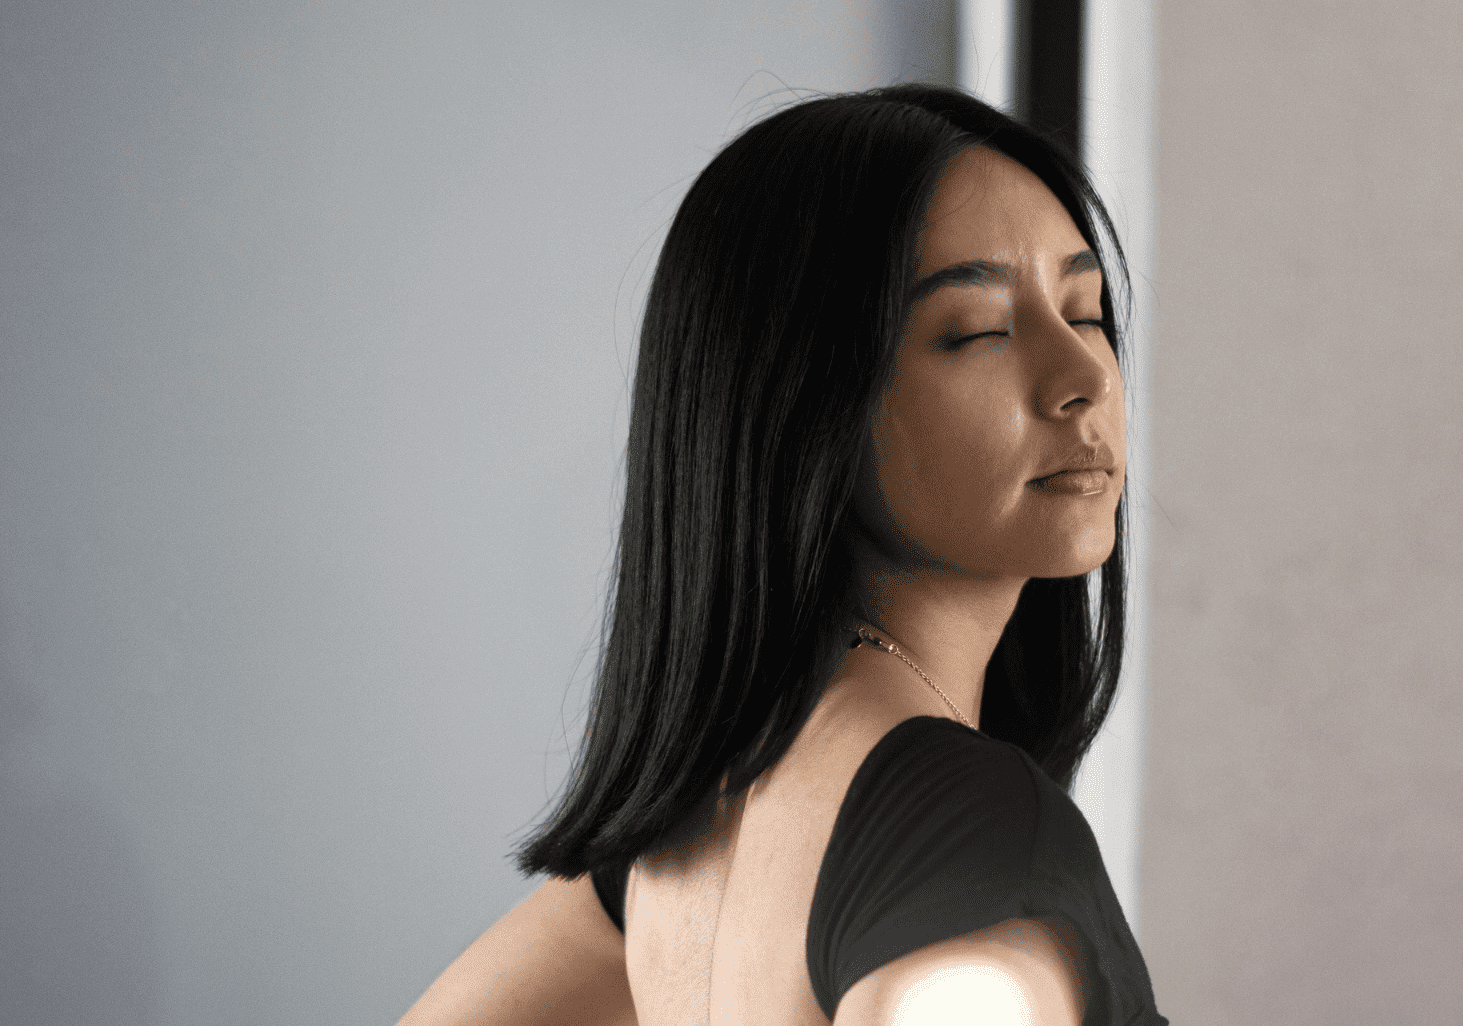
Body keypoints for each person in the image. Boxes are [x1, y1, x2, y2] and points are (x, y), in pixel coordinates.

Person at [396, 84, 1165, 1026]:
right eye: (976, 332)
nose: (1083, 379)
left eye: (1085, 313)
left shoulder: (679, 834)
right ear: (809, 409)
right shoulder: (968, 833)